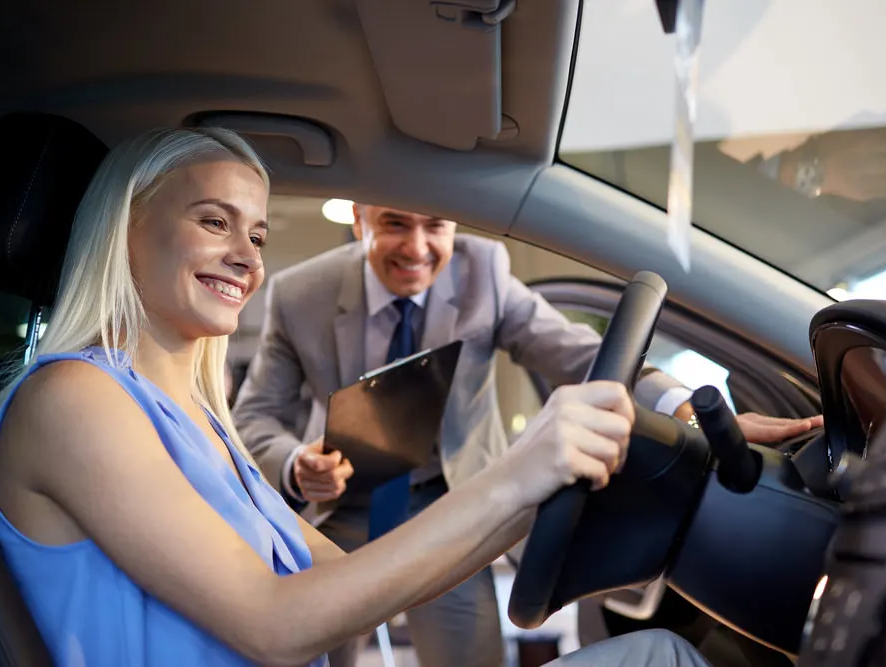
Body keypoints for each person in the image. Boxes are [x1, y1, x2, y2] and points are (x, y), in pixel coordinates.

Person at [0, 126, 714, 667]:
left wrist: (541, 487)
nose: (245, 255)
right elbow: (273, 623)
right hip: (356, 520)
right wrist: (520, 473)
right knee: (658, 659)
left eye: (258, 235)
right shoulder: (73, 398)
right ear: (124, 226)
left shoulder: (201, 424)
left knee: (654, 651)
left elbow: (347, 580)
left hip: (426, 502)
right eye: (213, 220)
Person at [232, 203, 824, 666]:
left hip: (450, 502)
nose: (417, 248)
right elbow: (256, 416)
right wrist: (295, 465)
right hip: (345, 506)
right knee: (305, 651)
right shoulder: (299, 293)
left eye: (434, 226)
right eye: (393, 224)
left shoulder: (484, 271)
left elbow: (581, 355)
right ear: (359, 219)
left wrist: (687, 411)